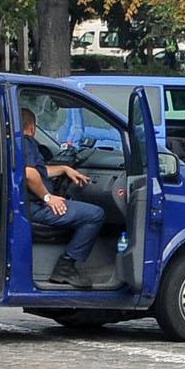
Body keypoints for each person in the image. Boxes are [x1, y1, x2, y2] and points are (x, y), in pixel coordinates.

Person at [18, 104, 113, 288]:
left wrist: (63, 169)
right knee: (95, 215)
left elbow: (38, 171)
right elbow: (29, 174)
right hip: (35, 207)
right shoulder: (26, 142)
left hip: (22, 205)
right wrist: (48, 197)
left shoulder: (10, 143)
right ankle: (66, 266)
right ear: (32, 127)